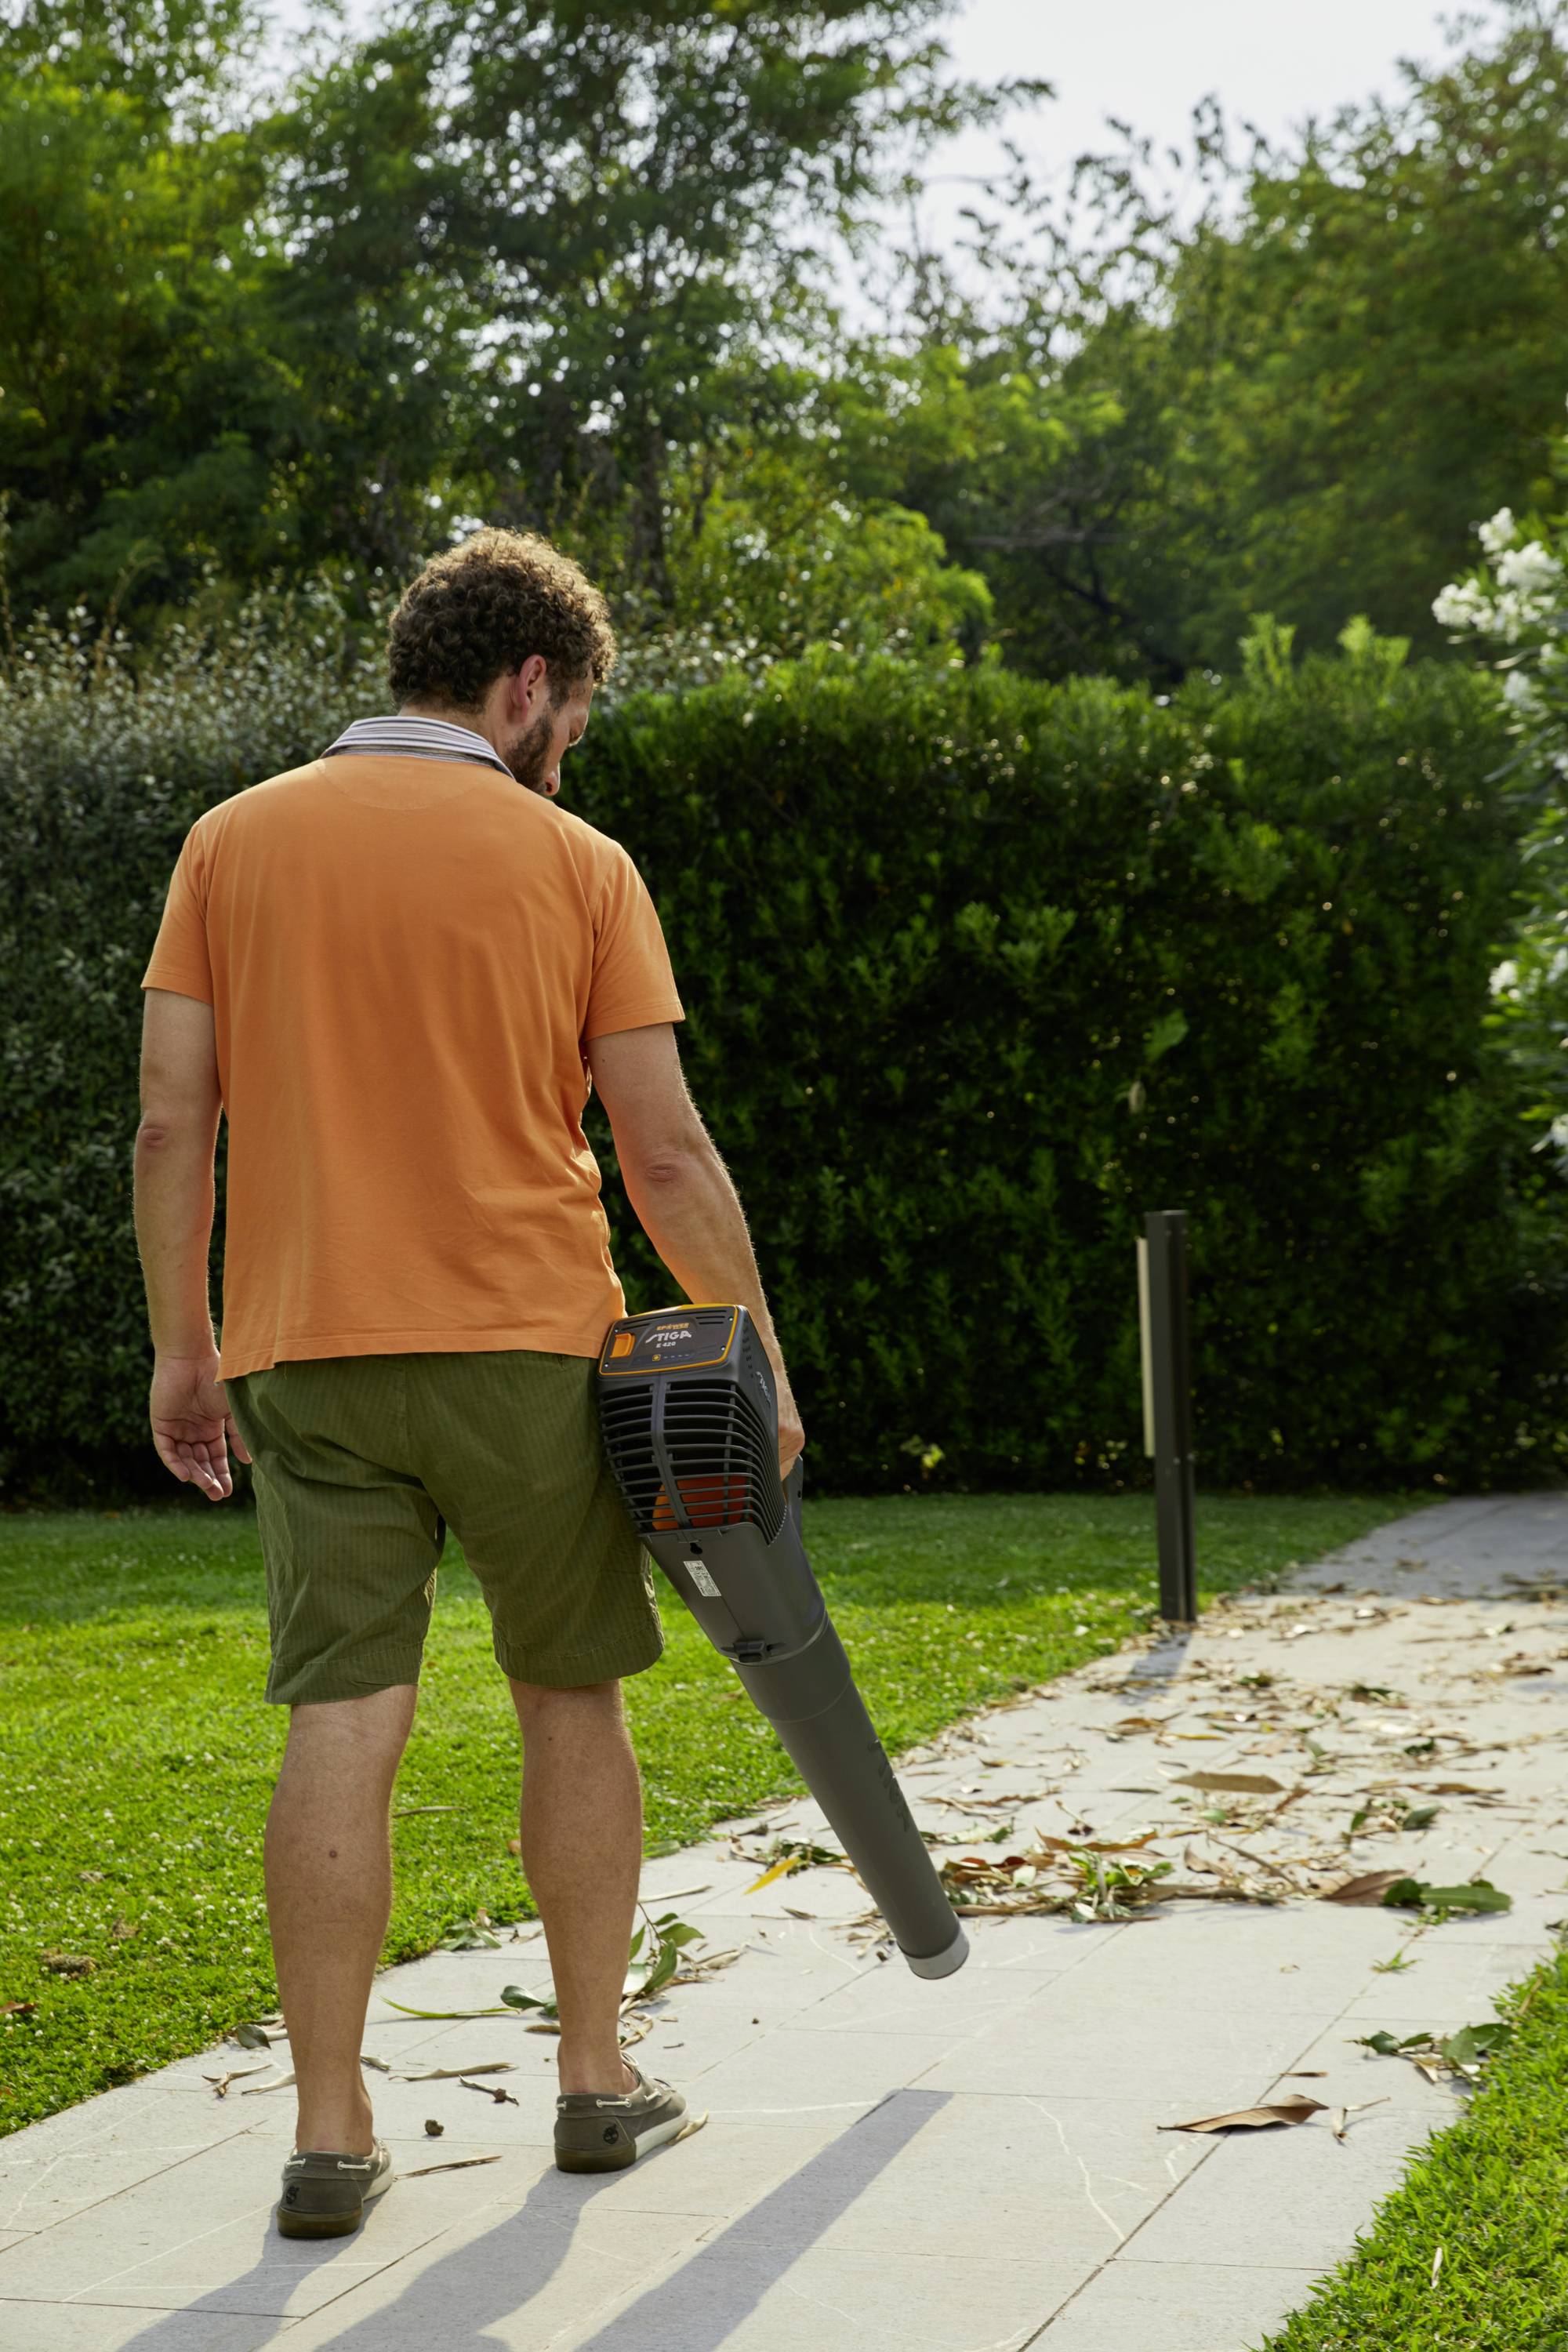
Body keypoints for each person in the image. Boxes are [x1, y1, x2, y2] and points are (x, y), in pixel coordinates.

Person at [132, 527, 805, 2241]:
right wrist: (757, 1351)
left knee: (340, 1720)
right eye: (569, 709)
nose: (566, 741)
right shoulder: (579, 862)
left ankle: (331, 2132)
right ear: (526, 688)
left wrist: (184, 1347)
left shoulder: (229, 843)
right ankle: (593, 2080)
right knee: (568, 1699)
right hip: (524, 1350)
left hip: (304, 1351)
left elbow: (168, 1122)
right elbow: (660, 1155)